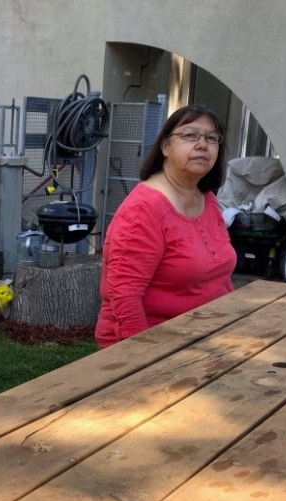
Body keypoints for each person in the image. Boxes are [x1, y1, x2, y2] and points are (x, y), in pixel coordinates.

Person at [95, 105, 236, 348]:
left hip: (206, 337)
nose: (203, 144)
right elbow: (125, 298)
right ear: (165, 147)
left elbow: (220, 277)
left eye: (212, 138)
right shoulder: (143, 210)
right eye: (190, 135)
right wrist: (144, 362)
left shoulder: (207, 198)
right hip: (156, 345)